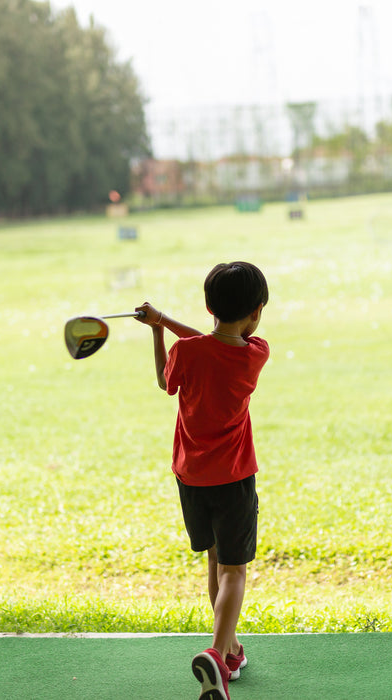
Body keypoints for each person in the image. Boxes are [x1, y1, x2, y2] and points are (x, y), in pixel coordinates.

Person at [135, 261, 270, 700]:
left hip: (192, 480)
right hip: (234, 479)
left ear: (208, 305)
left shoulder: (186, 353)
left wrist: (158, 328)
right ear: (257, 312)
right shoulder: (255, 353)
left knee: (215, 561)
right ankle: (216, 654)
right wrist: (165, 321)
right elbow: (217, 340)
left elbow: (166, 378)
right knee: (235, 571)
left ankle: (230, 650)